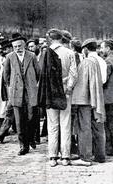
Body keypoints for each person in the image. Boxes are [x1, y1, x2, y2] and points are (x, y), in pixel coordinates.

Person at [44, 28, 77, 167]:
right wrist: (69, 87)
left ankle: (52, 156)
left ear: (50, 39)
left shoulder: (45, 53)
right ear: (61, 38)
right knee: (65, 123)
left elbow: (42, 74)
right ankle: (65, 156)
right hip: (65, 91)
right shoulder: (69, 53)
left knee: (52, 125)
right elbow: (74, 73)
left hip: (50, 91)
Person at [71, 38, 106, 166]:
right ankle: (100, 155)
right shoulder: (97, 61)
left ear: (85, 49)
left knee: (84, 128)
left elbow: (80, 82)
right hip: (96, 98)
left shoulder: (86, 62)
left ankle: (85, 156)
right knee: (98, 127)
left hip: (84, 100)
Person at [4, 33, 40, 155]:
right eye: (15, 47)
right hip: (16, 93)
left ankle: (31, 139)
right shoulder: (9, 57)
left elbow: (38, 73)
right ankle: (23, 146)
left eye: (19, 46)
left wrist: (32, 84)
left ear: (24, 45)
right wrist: (14, 86)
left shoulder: (32, 56)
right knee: (19, 121)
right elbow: (6, 76)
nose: (18, 49)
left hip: (30, 92)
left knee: (31, 117)